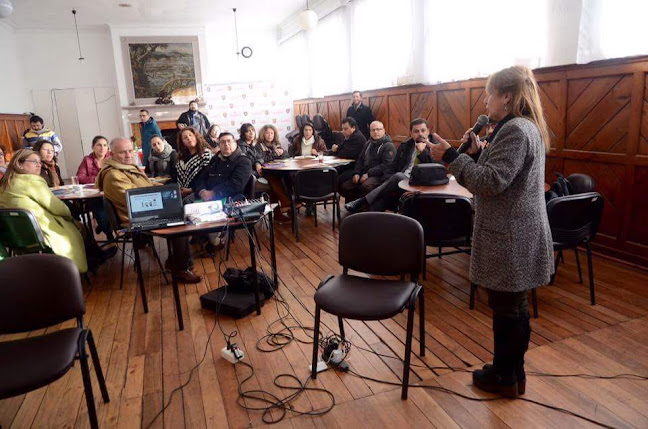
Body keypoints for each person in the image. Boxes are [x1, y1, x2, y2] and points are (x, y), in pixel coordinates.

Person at [429, 65, 553, 398]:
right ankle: (511, 372)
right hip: (515, 231)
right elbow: (502, 169)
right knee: (513, 304)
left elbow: (491, 182)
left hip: (511, 235)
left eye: (489, 93)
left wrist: (454, 157)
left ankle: (505, 376)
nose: (486, 101)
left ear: (507, 96)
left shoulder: (515, 129)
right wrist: (476, 152)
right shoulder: (520, 127)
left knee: (506, 307)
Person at [96, 137, 201, 283]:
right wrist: (165, 201)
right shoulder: (113, 175)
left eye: (130, 151)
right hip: (135, 217)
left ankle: (174, 261)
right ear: (112, 154)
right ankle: (181, 269)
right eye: (122, 152)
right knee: (179, 222)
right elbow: (134, 201)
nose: (128, 155)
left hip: (144, 210)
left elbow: (144, 190)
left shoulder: (126, 167)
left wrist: (167, 194)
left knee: (180, 211)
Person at [0, 149, 110, 273]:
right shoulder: (31, 181)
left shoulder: (5, 183)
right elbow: (56, 207)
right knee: (78, 226)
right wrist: (69, 214)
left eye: (40, 162)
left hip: (17, 236)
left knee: (76, 225)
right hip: (41, 233)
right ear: (19, 164)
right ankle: (94, 261)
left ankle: (95, 259)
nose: (39, 165)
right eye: (34, 161)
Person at [344, 118, 440, 213]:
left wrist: (422, 151)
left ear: (428, 131)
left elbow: (436, 172)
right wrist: (387, 181)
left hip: (422, 183)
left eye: (423, 130)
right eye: (416, 131)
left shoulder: (436, 147)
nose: (420, 134)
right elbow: (392, 166)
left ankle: (362, 201)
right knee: (380, 201)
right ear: (411, 133)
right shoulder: (406, 145)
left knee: (397, 176)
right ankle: (368, 221)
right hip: (402, 180)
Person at [195, 132, 253, 252]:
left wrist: (213, 193)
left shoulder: (243, 161)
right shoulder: (215, 159)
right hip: (209, 196)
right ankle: (201, 235)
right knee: (187, 203)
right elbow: (202, 178)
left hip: (232, 198)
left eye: (229, 141)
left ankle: (215, 241)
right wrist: (202, 191)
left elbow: (236, 184)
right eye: (222, 142)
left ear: (235, 143)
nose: (226, 144)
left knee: (207, 210)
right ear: (219, 145)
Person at [339, 121, 395, 202]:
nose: (375, 132)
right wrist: (357, 173)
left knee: (366, 186)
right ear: (370, 132)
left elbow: (387, 166)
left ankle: (366, 208)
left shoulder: (388, 146)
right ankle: (353, 207)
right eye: (373, 130)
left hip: (379, 175)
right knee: (346, 186)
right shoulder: (368, 143)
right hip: (364, 172)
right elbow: (360, 160)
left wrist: (369, 174)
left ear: (384, 131)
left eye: (378, 129)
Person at [76, 135, 112, 240]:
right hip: (94, 195)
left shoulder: (112, 158)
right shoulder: (87, 160)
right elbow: (80, 178)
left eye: (105, 145)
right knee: (100, 210)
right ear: (93, 147)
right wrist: (99, 178)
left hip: (110, 192)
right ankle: (109, 234)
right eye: (99, 145)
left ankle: (103, 226)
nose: (102, 148)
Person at [171, 127, 213, 203]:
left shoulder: (205, 154)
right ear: (182, 142)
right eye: (185, 138)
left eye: (190, 135)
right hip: (180, 192)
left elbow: (206, 176)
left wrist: (191, 190)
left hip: (198, 192)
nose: (189, 138)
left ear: (196, 136)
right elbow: (176, 176)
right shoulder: (181, 158)